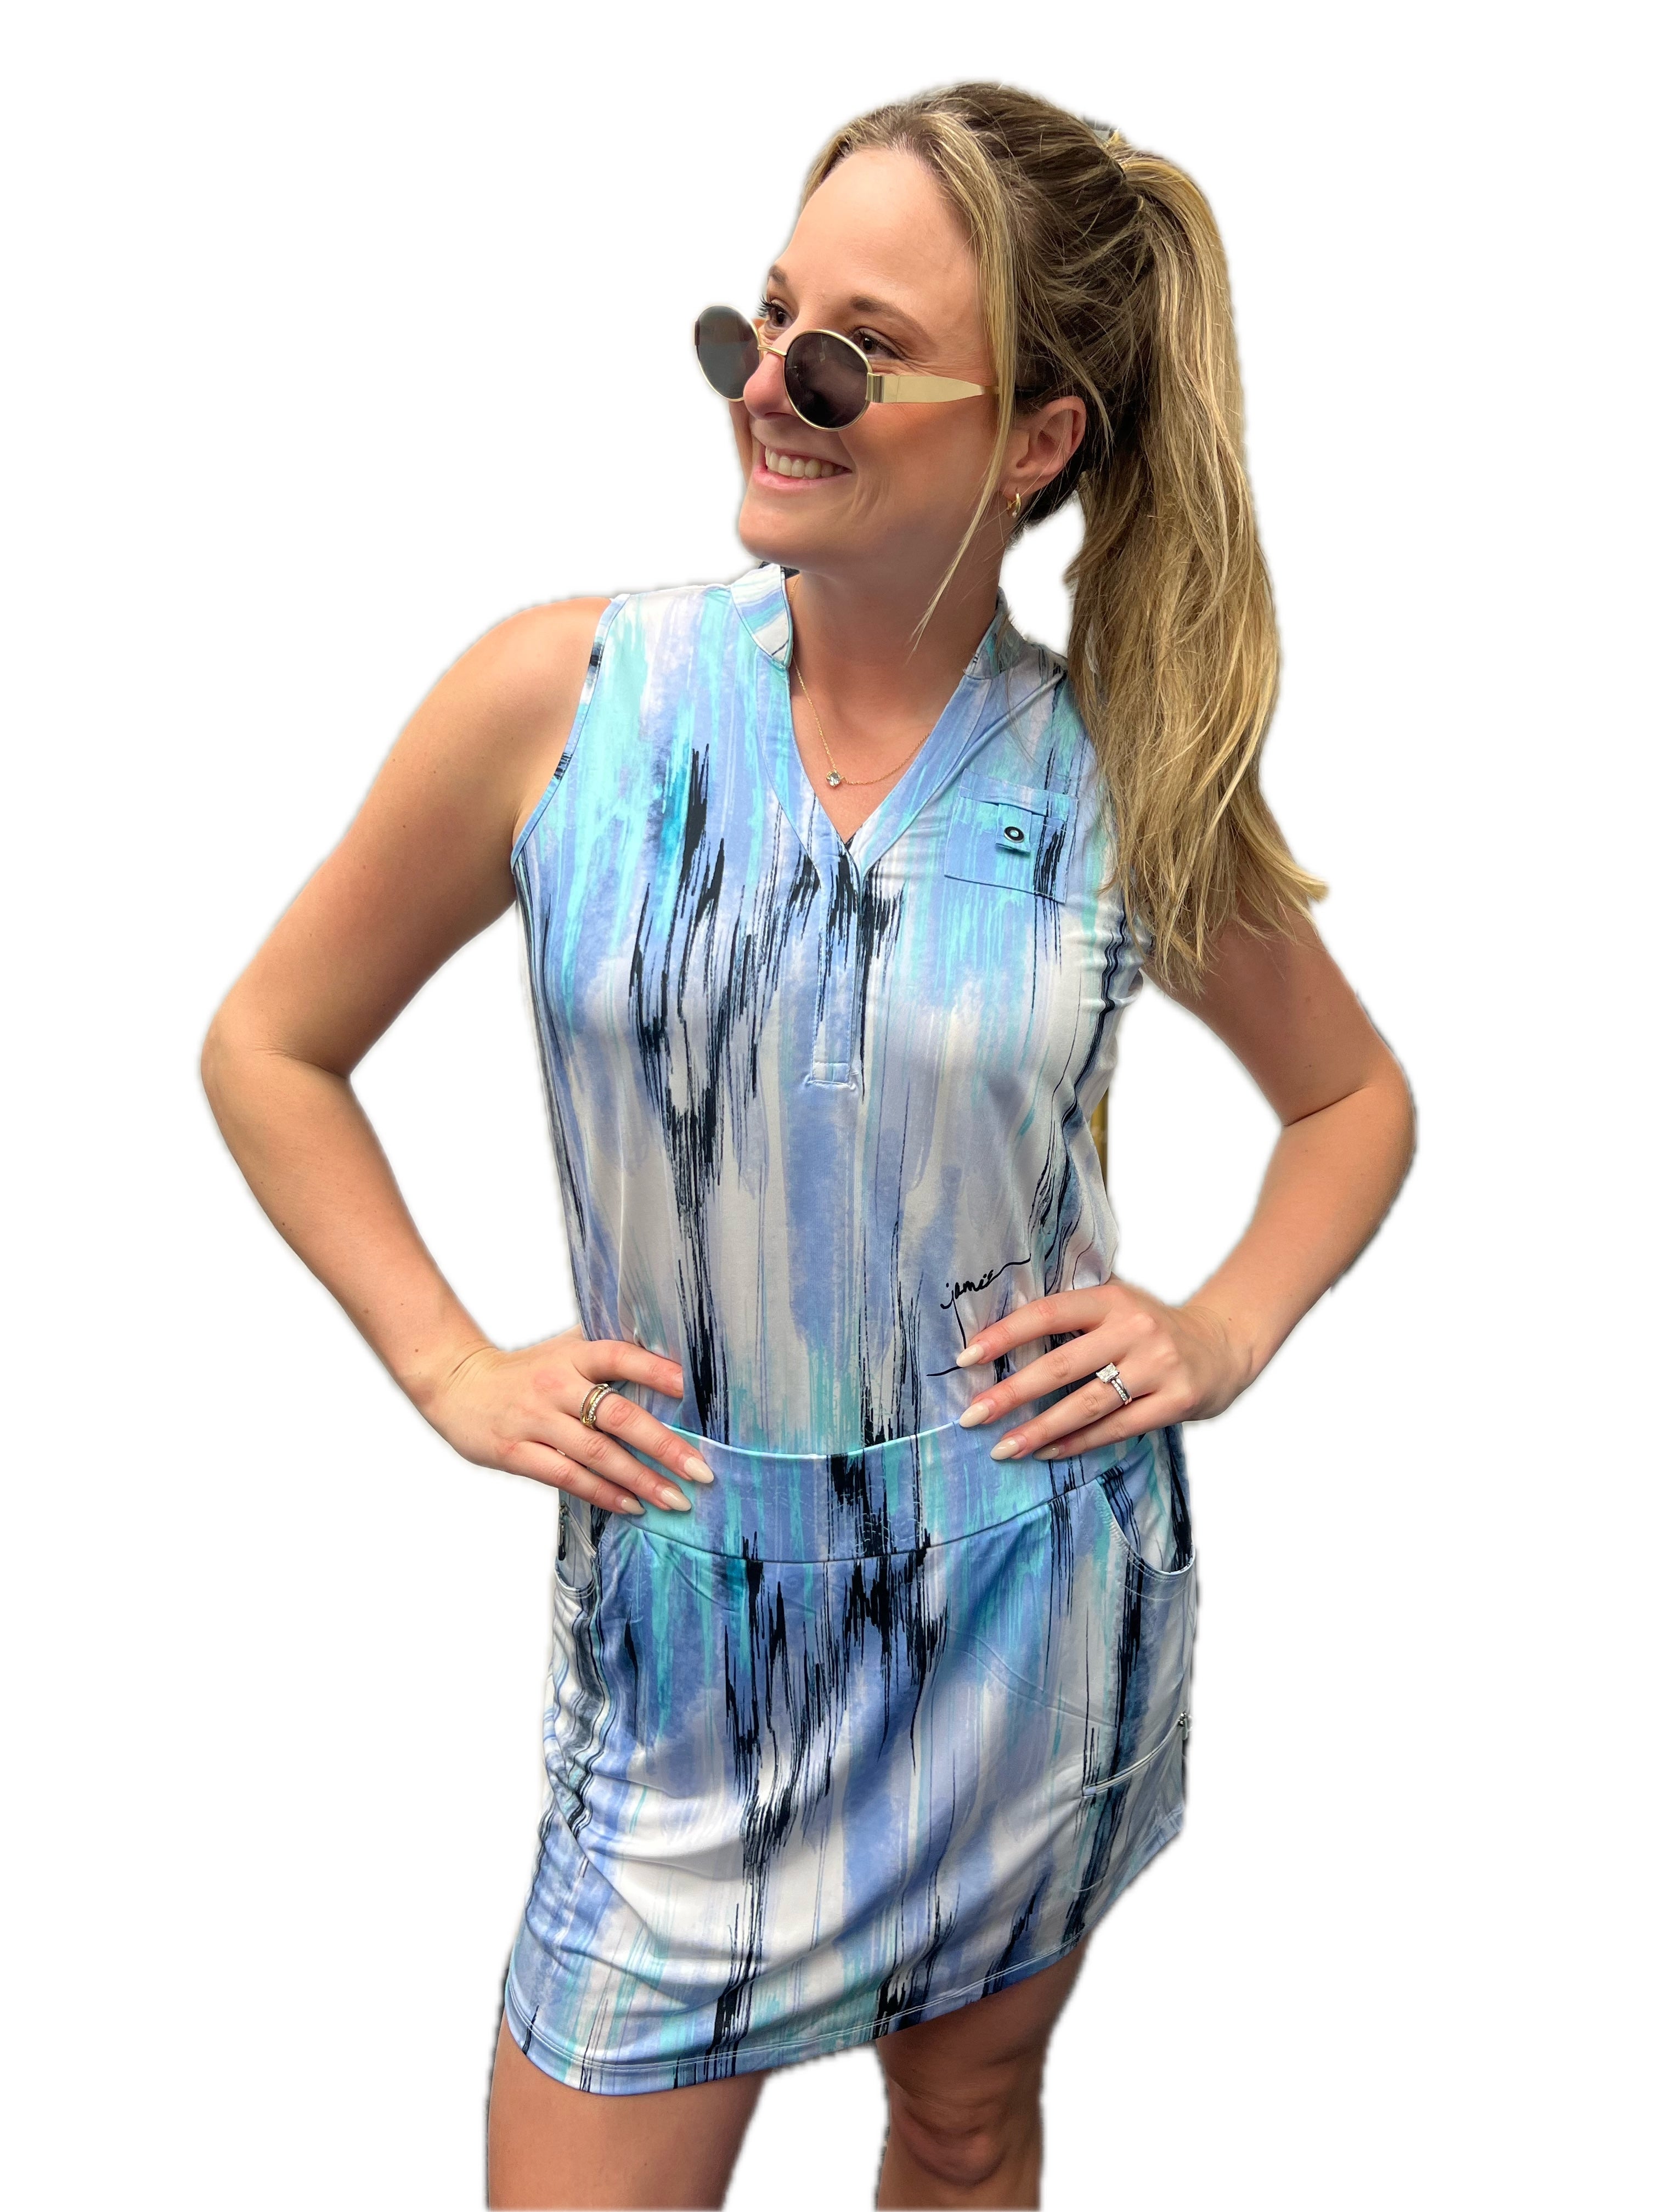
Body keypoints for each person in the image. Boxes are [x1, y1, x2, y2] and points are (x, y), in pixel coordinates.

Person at [201, 80, 1415, 2212]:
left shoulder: (1121, 777)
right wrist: (448, 1364)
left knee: (962, 2126)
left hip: (1019, 1607)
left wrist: (1221, 1329)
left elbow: (1352, 1100)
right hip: (679, 1642)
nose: (769, 385)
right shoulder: (563, 704)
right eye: (758, 325)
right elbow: (272, 1045)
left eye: (851, 354)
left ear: (1033, 439)